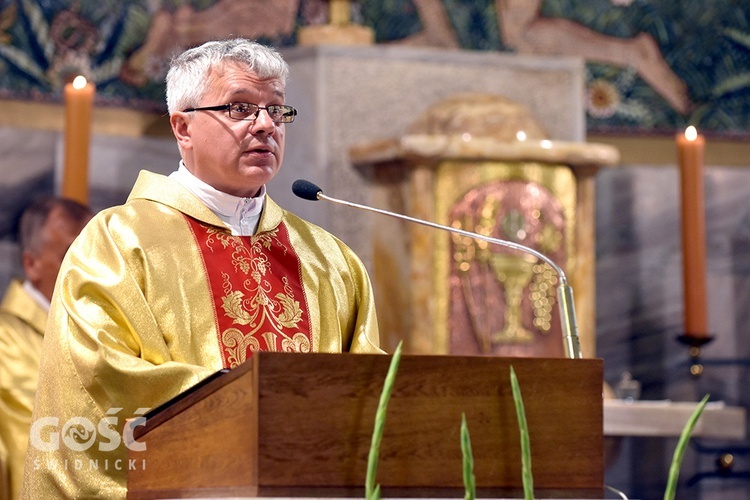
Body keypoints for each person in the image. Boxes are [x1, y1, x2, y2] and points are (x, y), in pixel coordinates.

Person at [22, 38, 382, 498]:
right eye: (240, 108)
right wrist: (262, 407)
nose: (266, 125)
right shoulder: (116, 244)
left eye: (277, 109)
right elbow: (102, 382)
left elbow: (371, 397)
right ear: (183, 127)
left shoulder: (330, 261)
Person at [0, 197, 92, 500]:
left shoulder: (100, 334)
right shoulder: (5, 339)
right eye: (70, 256)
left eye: (94, 254)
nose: (89, 269)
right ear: (31, 263)